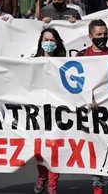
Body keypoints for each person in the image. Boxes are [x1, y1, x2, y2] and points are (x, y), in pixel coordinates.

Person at [75, 20, 108, 194]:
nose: (102, 37)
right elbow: (77, 84)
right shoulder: (81, 57)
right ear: (90, 36)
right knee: (95, 147)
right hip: (91, 110)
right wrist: (89, 97)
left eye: (105, 34)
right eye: (98, 35)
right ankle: (98, 183)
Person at [33, 28, 67, 194]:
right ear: (40, 42)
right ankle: (42, 175)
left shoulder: (65, 64)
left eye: (52, 40)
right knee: (39, 150)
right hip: (38, 114)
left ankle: (52, 186)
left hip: (58, 114)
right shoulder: (32, 62)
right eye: (46, 40)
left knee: (55, 150)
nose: (49, 43)